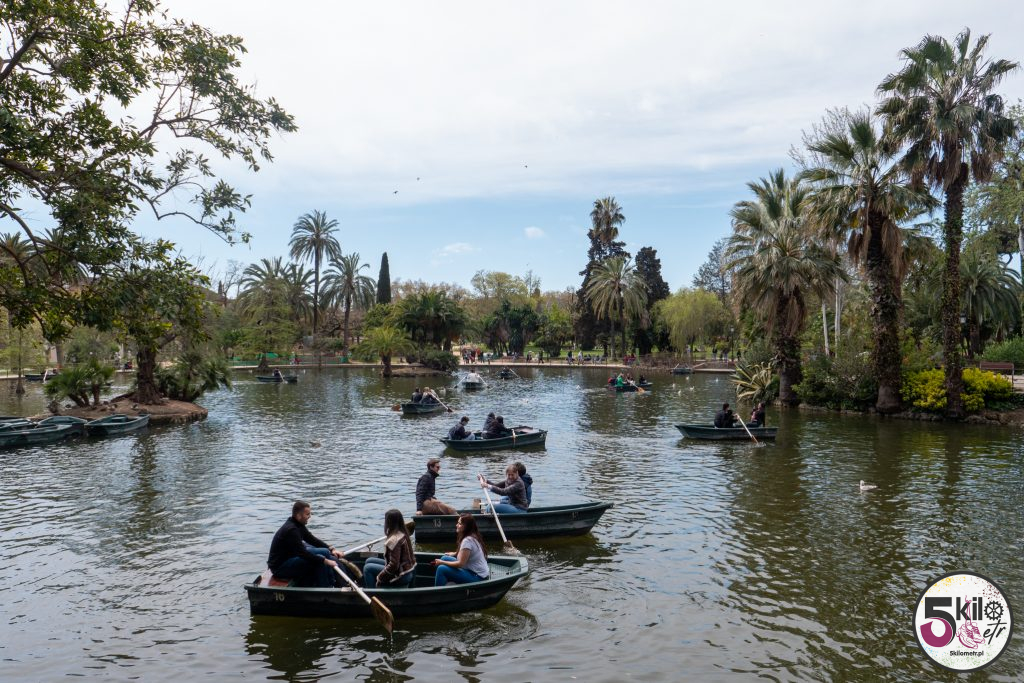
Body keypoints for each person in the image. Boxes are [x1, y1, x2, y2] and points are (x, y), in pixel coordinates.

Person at [267, 500, 346, 588]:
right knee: (320, 560)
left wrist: (331, 549)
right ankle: (325, 588)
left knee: (325, 551)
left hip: (291, 557)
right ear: (298, 516)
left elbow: (312, 539)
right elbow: (303, 554)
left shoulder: (298, 525)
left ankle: (333, 582)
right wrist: (325, 561)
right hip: (280, 567)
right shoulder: (291, 530)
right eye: (307, 514)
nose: (310, 516)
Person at [362, 509, 416, 589]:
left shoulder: (394, 540)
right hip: (407, 570)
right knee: (369, 560)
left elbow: (394, 565)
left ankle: (373, 593)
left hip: (401, 575)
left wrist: (380, 578)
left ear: (389, 522)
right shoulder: (403, 533)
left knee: (367, 568)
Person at [432, 514, 490, 586]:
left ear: (466, 527)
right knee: (444, 558)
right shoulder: (472, 535)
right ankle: (447, 585)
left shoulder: (467, 541)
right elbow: (466, 552)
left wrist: (442, 562)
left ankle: (438, 591)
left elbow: (460, 564)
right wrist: (455, 554)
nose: (456, 525)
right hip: (473, 571)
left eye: (459, 524)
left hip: (478, 577)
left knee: (441, 569)